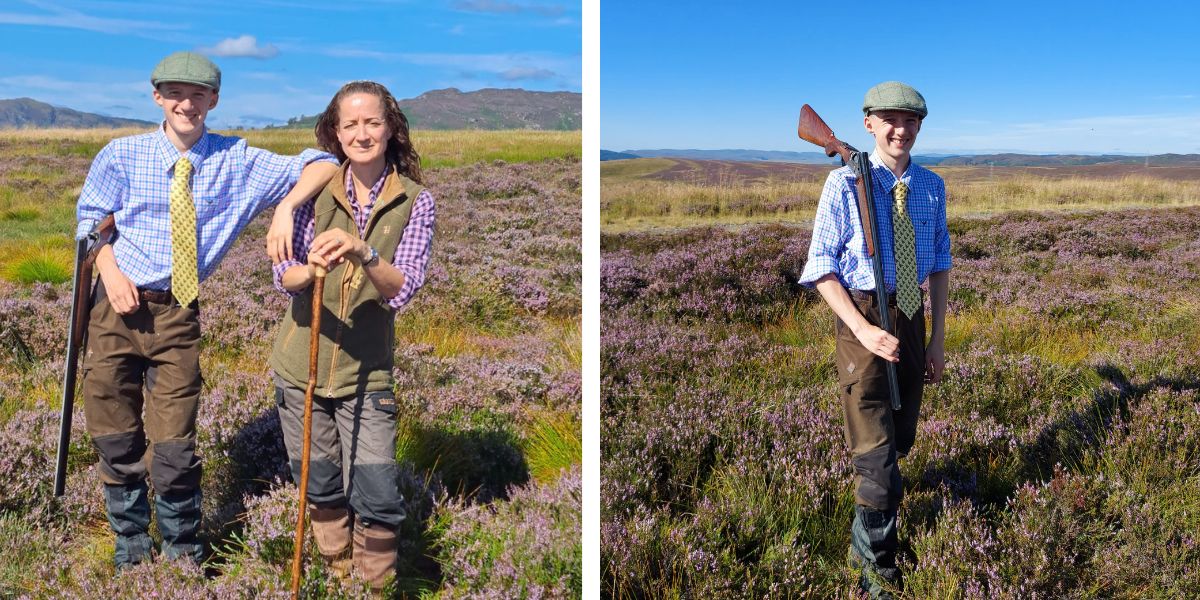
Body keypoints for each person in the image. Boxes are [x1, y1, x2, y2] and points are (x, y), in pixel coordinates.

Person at [76, 50, 339, 570]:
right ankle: (130, 548)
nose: (186, 103)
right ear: (157, 96)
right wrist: (109, 268)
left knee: (174, 442)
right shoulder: (121, 154)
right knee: (115, 431)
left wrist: (284, 206)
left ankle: (182, 556)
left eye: (198, 94)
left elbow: (324, 163)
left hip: (178, 314)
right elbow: (88, 222)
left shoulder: (236, 159)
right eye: (175, 92)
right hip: (115, 307)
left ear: (213, 100)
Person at [268, 80, 436, 591]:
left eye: (372, 122)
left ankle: (373, 586)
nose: (362, 133)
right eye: (351, 124)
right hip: (301, 364)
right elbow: (285, 276)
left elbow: (400, 290)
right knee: (318, 482)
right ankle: (339, 573)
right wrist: (310, 269)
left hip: (368, 371)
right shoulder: (313, 191)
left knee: (378, 489)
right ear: (335, 133)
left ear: (391, 129)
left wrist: (364, 253)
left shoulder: (415, 201)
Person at [797, 81, 950, 599]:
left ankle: (878, 514)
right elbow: (820, 268)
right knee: (878, 458)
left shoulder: (931, 186)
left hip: (911, 314)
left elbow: (940, 265)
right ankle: (876, 565)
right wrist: (862, 329)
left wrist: (936, 340)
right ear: (868, 123)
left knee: (901, 436)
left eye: (909, 121)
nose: (899, 129)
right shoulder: (844, 185)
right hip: (864, 319)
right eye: (888, 119)